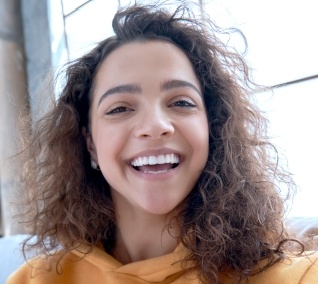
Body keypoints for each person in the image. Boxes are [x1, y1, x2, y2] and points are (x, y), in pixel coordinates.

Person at [7, 3, 318, 284]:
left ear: (213, 128)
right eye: (120, 108)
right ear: (89, 143)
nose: (155, 126)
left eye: (181, 102)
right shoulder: (34, 280)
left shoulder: (297, 276)